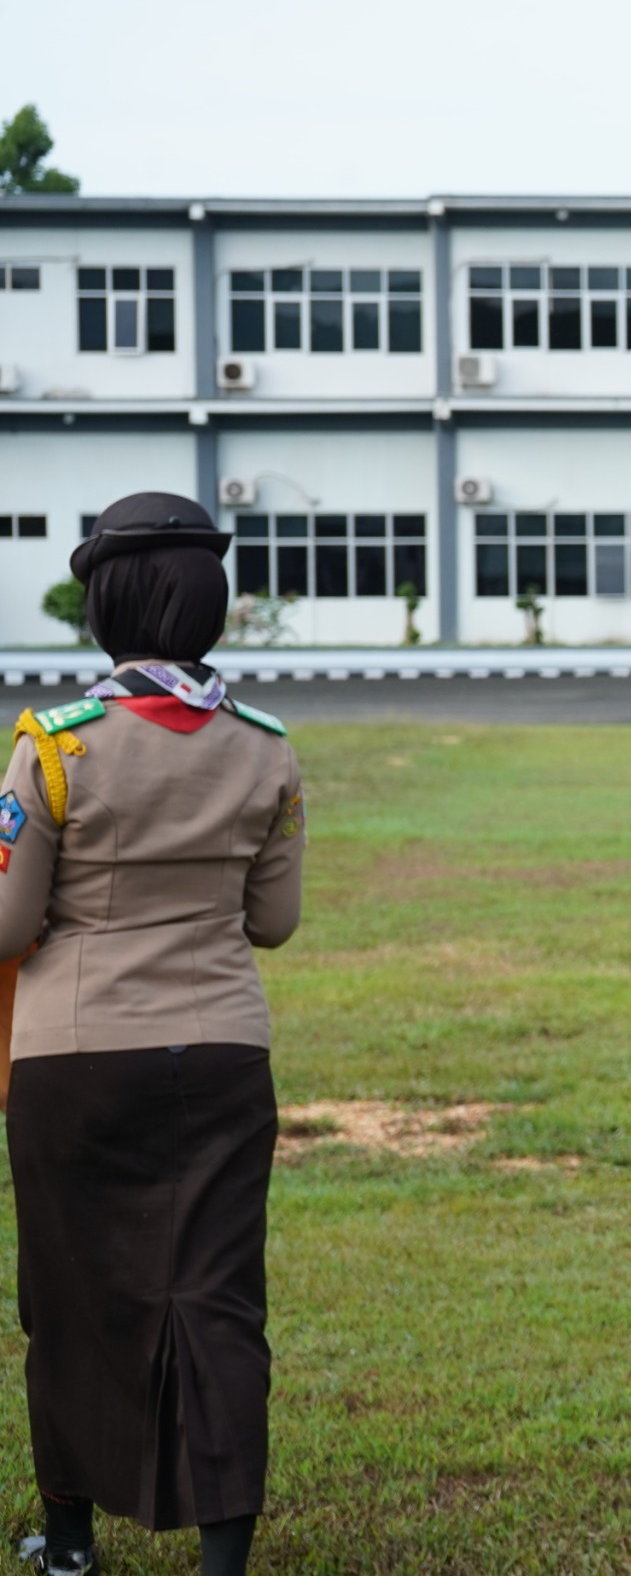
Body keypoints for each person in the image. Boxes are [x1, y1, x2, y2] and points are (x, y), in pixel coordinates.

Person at [0, 493, 303, 1576]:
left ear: (107, 603)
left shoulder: (55, 744)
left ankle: (73, 1539)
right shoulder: (265, 750)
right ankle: (223, 1554)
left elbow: (8, 924)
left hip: (73, 1055)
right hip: (223, 1051)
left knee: (73, 1297)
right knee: (217, 1297)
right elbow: (272, 921)